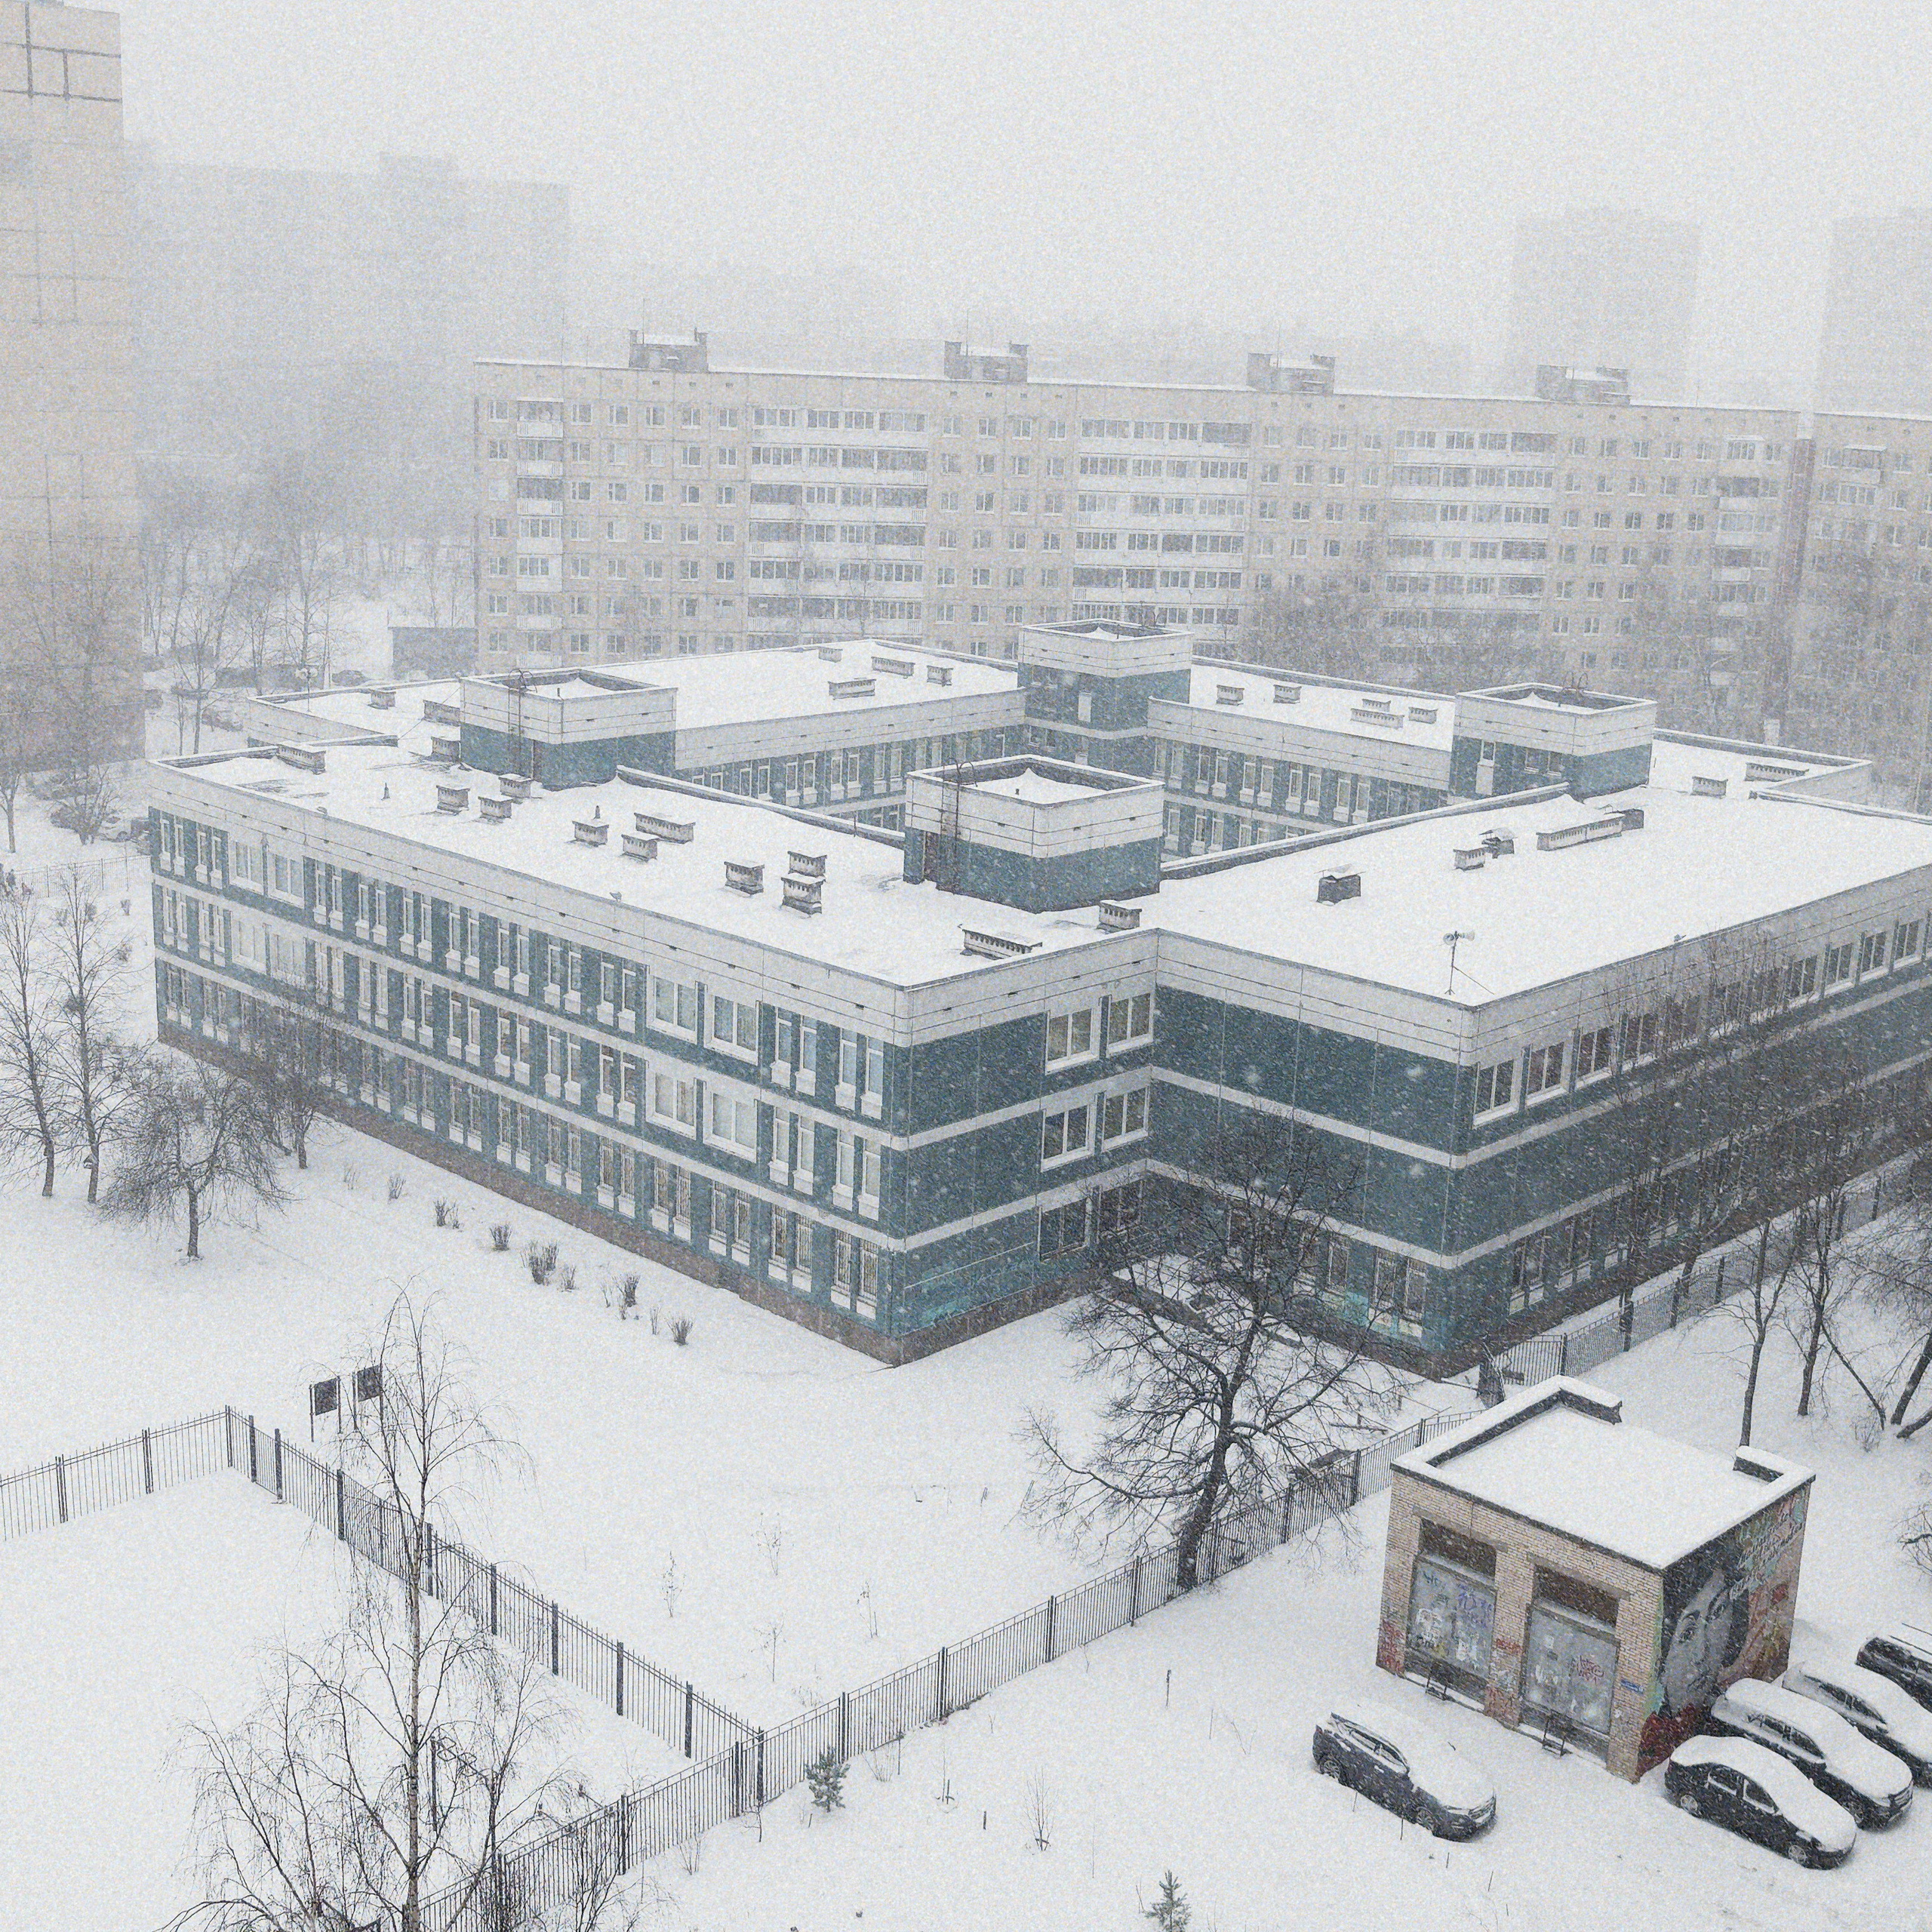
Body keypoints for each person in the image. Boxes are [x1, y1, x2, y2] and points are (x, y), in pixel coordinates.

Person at [1640, 1536, 1749, 1765]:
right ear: (1662, 1662)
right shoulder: (1651, 1740)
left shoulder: (1728, 1721)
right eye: (1688, 1634)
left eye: (1718, 1612)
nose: (1701, 1655)